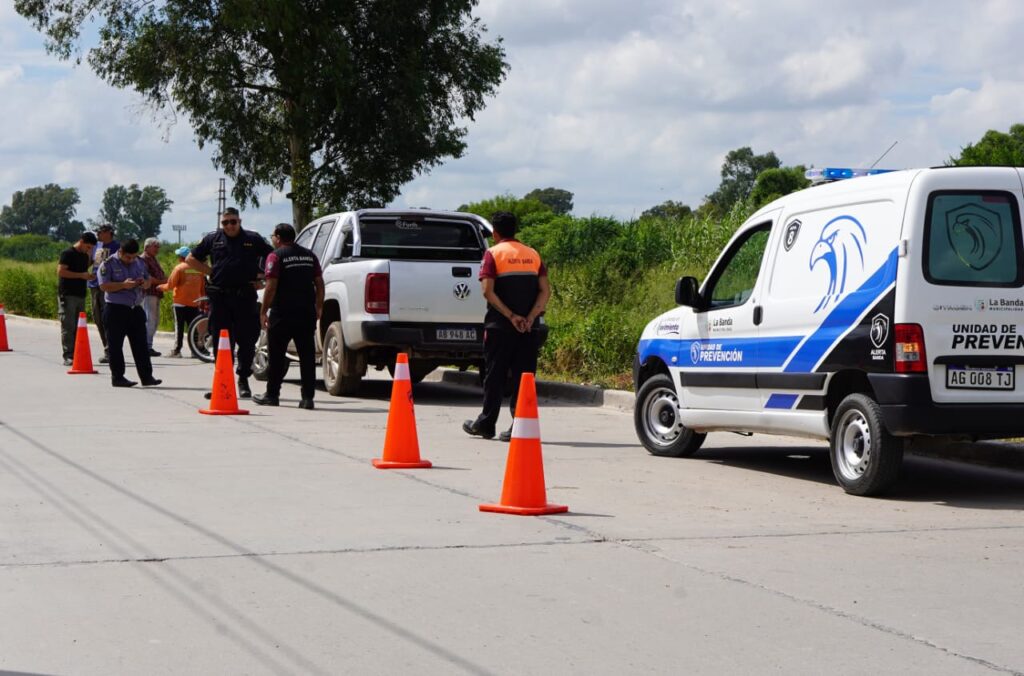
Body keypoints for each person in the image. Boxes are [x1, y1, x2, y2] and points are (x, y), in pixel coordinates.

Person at [462, 211, 551, 442]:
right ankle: (518, 425)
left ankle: (486, 423)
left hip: (499, 327)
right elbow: (545, 291)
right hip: (529, 328)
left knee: (494, 375)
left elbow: (487, 291)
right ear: (515, 230)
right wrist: (530, 317)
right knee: (524, 376)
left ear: (495, 233)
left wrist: (511, 316)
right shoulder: (532, 254)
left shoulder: (493, 254)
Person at [186, 207, 273, 399]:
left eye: (233, 221)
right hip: (220, 298)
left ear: (239, 221)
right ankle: (222, 382)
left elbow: (272, 258)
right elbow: (191, 259)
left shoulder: (253, 238)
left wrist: (263, 277)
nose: (229, 226)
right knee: (221, 341)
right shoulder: (213, 239)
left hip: (245, 296)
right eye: (225, 222)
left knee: (247, 340)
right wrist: (211, 272)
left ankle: (243, 380)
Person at [253, 223, 324, 410]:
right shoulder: (310, 256)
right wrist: (319, 306)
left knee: (276, 356)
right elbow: (319, 282)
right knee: (307, 357)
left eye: (272, 236)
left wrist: (263, 311)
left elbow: (271, 286)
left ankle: (272, 395)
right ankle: (308, 398)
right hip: (306, 313)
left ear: (277, 237)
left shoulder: (275, 256)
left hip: (282, 314)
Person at [96, 239, 162, 388]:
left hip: (135, 308)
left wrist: (145, 283)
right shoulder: (108, 263)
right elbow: (103, 286)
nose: (131, 260)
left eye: (133, 257)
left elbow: (147, 279)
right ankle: (118, 377)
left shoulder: (139, 262)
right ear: (120, 252)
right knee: (115, 346)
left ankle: (147, 377)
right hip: (116, 309)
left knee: (141, 345)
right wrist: (123, 285)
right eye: (128, 257)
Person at [56, 231, 98, 366]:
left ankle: (77, 353)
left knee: (79, 327)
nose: (89, 249)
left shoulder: (84, 256)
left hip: (80, 294)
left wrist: (90, 272)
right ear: (82, 241)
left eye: (91, 248)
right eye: (88, 247)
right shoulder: (68, 253)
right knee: (68, 326)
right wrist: (81, 275)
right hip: (68, 294)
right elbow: (61, 271)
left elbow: (83, 270)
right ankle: (68, 355)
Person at [158, 246, 206, 358]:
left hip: (180, 302)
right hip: (195, 302)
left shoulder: (179, 268)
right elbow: (203, 288)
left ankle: (176, 351)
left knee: (179, 328)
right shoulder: (199, 269)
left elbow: (170, 285)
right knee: (193, 328)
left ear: (181, 257)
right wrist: (202, 300)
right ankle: (196, 351)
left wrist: (161, 287)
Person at [89, 223, 120, 364]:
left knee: (108, 319)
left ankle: (111, 350)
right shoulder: (97, 246)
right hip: (94, 285)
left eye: (100, 231)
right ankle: (107, 348)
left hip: (108, 287)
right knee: (98, 318)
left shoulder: (117, 248)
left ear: (109, 232)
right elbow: (91, 262)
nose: (98, 234)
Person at [140, 237, 167, 356]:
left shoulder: (153, 259)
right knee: (150, 320)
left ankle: (148, 345)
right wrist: (163, 281)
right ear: (147, 247)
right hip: (148, 293)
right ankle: (146, 346)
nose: (158, 249)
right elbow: (147, 278)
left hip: (155, 293)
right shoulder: (143, 259)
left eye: (158, 246)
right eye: (155, 246)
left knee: (154, 321)